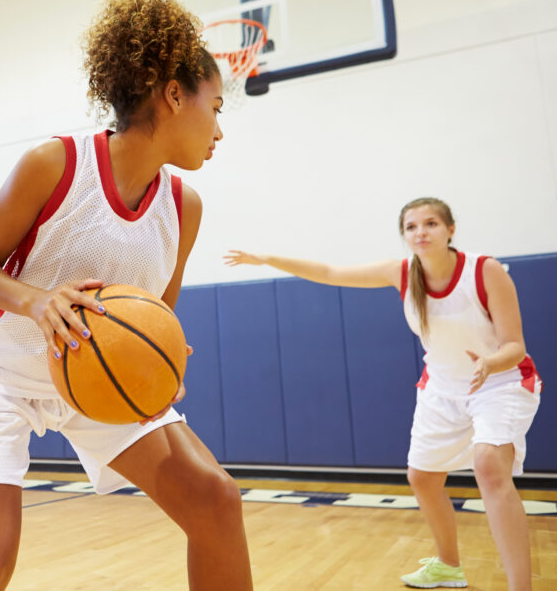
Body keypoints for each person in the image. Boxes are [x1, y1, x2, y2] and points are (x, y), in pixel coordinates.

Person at [0, 0, 252, 591]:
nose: (219, 130)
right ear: (174, 94)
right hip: (0, 373)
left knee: (215, 500)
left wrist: (161, 359)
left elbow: (157, 311)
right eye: (216, 108)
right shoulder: (55, 164)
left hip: (95, 375)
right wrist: (37, 300)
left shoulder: (184, 206)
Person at [225, 196, 541, 590]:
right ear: (404, 235)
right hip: (442, 388)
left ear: (450, 230)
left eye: (430, 224)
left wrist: (490, 363)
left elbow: (515, 346)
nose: (421, 232)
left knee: (489, 468)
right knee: (422, 478)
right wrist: (268, 258)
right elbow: (329, 270)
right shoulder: (402, 273)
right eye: (411, 227)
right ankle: (447, 566)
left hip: (499, 381)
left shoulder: (485, 270)